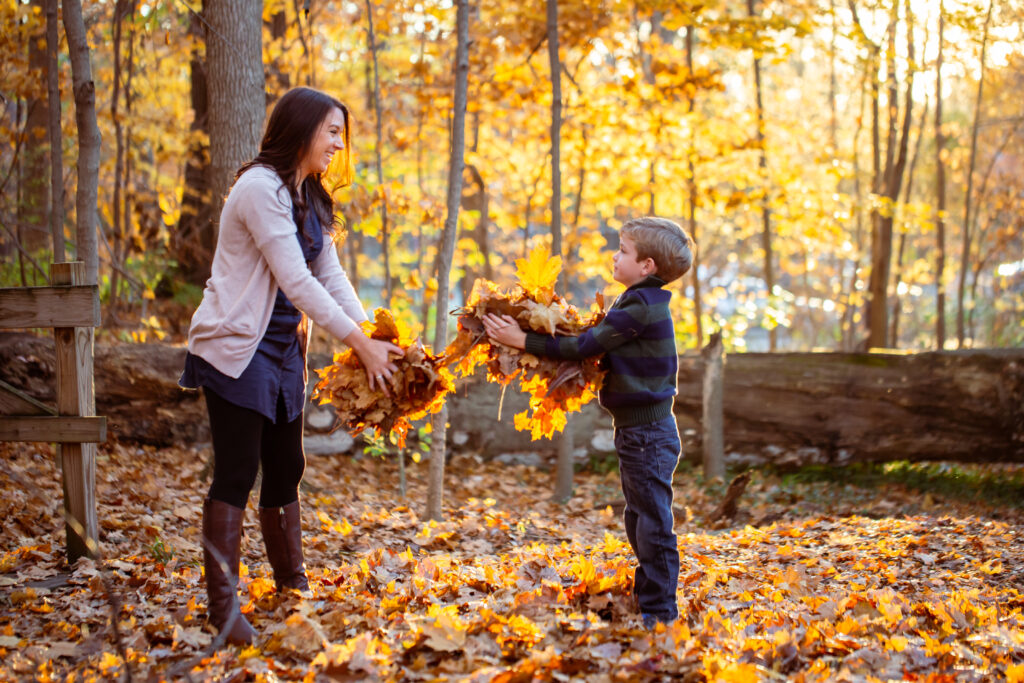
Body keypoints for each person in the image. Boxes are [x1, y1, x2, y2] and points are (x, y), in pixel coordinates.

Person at [180, 87, 403, 645]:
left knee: (287, 467)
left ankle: (291, 583)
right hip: (237, 346)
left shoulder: (311, 195)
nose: (338, 143)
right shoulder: (259, 188)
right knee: (238, 471)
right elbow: (294, 279)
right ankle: (224, 610)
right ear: (300, 129)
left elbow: (330, 276)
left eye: (340, 133)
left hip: (284, 350)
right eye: (331, 131)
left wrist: (368, 339)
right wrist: (358, 341)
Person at [483, 216, 694, 629]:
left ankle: (661, 613)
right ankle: (649, 598)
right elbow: (596, 341)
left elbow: (585, 346)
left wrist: (522, 340)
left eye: (623, 251)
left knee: (652, 524)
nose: (615, 256)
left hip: (648, 434)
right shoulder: (636, 304)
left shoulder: (642, 307)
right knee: (639, 519)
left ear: (647, 266)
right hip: (639, 431)